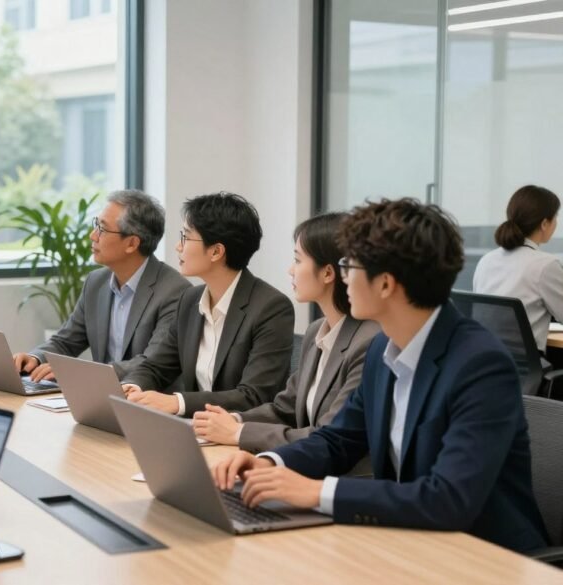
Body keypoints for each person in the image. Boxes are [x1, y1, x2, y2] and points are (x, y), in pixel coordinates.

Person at [212, 198, 548, 554]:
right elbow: (338, 440)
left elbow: (449, 499)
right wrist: (269, 464)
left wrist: (317, 491)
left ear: (385, 284)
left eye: (349, 265)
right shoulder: (383, 348)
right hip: (407, 540)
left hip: (486, 556)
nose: (342, 276)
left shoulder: (480, 364)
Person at [192, 213, 380, 451]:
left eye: (298, 260)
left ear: (328, 273)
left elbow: (329, 436)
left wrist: (239, 433)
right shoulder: (315, 332)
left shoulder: (369, 341)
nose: (291, 270)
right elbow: (285, 408)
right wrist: (234, 420)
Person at [120, 192, 294, 416]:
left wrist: (178, 403)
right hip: (194, 432)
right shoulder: (190, 300)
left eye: (185, 237)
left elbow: (254, 395)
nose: (178, 247)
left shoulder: (272, 308)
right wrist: (133, 386)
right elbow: (156, 366)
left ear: (216, 251)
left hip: (239, 437)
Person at [12, 190, 190, 383]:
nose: (93, 235)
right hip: (99, 395)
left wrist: (81, 372)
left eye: (102, 229)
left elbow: (152, 362)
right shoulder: (95, 283)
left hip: (148, 399)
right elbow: (66, 341)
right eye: (96, 225)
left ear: (132, 243)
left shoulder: (175, 292)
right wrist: (35, 358)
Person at [473, 185, 563, 353]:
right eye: (556, 217)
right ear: (545, 223)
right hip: (524, 372)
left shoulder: (486, 260)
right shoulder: (546, 265)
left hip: (485, 364)